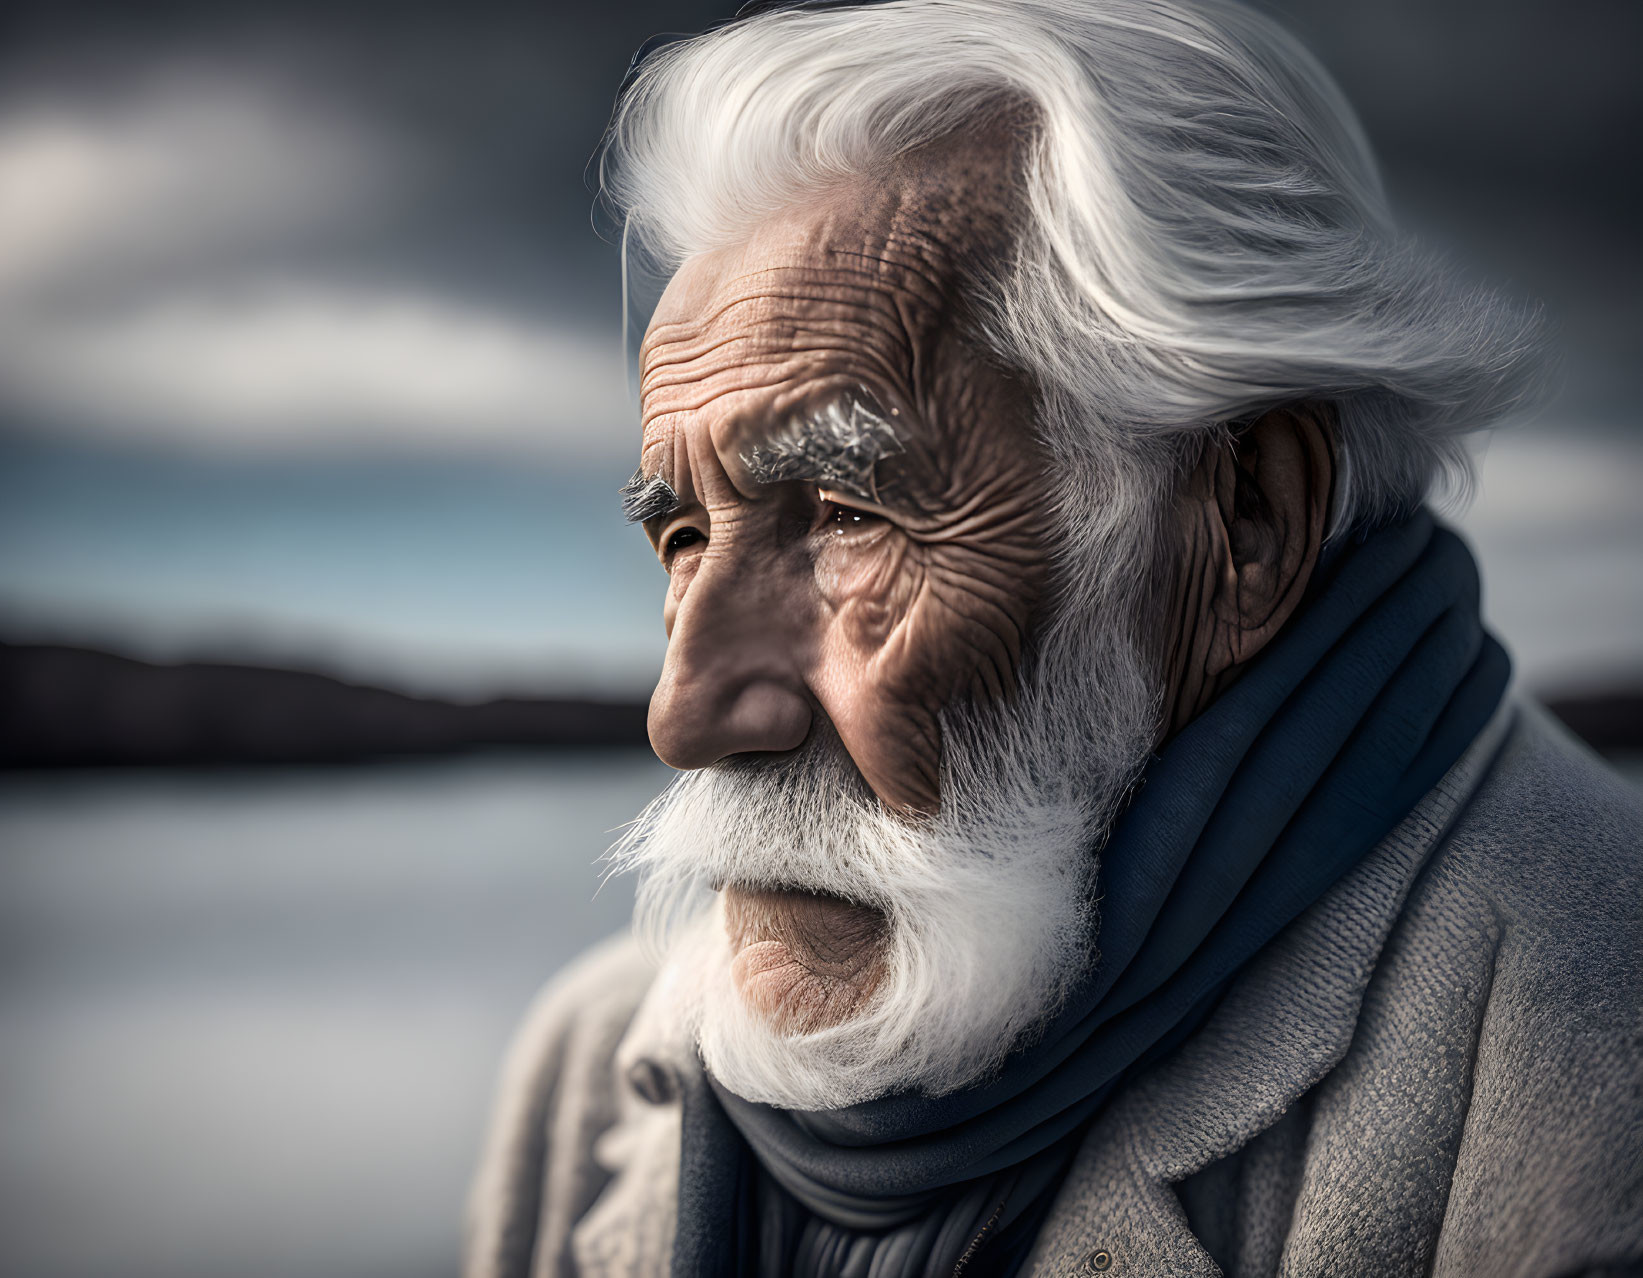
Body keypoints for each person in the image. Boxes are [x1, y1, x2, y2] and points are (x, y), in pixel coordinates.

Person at [465, 2, 1643, 1274]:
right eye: (683, 535)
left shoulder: (1592, 1062)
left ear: (1245, 521)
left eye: (849, 514)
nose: (684, 711)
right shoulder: (585, 1073)